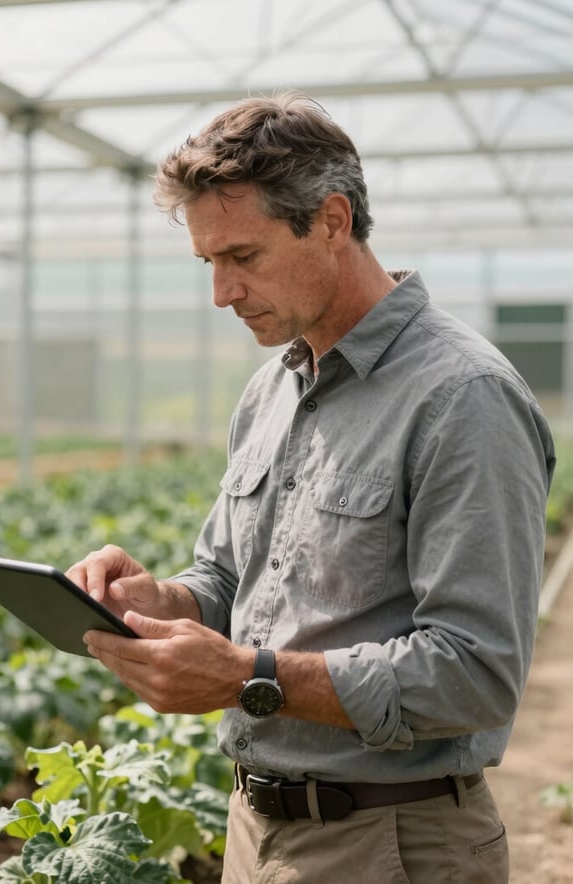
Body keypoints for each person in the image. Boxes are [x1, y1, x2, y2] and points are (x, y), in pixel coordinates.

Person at [66, 92, 556, 883]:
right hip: (254, 830)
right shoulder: (272, 389)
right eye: (208, 263)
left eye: (243, 257)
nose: (222, 292)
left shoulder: (461, 396)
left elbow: (476, 673)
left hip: (392, 842)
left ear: (331, 221)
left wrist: (247, 679)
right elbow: (230, 577)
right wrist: (164, 602)